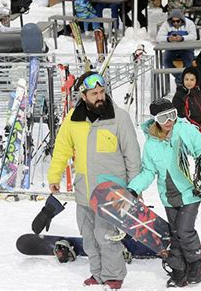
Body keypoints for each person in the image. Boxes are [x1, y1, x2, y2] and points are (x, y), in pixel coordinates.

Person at [47, 72, 141, 289]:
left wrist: (135, 189)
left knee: (107, 235)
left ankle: (113, 275)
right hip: (84, 190)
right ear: (83, 95)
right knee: (88, 235)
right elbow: (62, 149)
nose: (100, 97)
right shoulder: (73, 119)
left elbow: (132, 157)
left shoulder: (119, 117)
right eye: (94, 93)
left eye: (101, 92)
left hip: (111, 192)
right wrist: (54, 176)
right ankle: (97, 274)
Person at [127, 98, 201, 287]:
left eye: (172, 115)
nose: (169, 121)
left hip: (191, 192)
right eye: (163, 117)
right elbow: (149, 171)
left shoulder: (187, 131)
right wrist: (134, 188)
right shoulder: (151, 143)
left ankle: (194, 263)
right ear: (155, 119)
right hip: (169, 196)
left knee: (184, 230)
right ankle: (179, 270)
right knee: (175, 234)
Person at [156, 9, 197, 85]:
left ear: (182, 20)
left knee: (189, 63)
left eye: (178, 21)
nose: (175, 23)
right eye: (173, 21)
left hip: (186, 49)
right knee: (165, 61)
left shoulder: (190, 23)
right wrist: (168, 38)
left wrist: (182, 38)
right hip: (171, 49)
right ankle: (181, 79)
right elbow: (158, 38)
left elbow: (194, 36)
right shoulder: (166, 24)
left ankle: (180, 81)